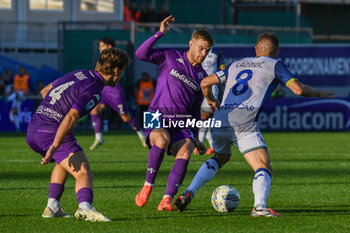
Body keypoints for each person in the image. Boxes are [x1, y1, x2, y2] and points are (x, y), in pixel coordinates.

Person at [174, 32, 335, 217]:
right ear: (277, 52)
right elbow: (298, 89)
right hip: (244, 123)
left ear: (256, 49)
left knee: (220, 157)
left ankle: (190, 192)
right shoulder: (275, 65)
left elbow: (205, 82)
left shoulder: (236, 64)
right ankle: (259, 207)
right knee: (263, 166)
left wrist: (211, 100)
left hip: (220, 119)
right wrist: (317, 93)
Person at [26, 48, 130, 222]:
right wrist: (55, 145)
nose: (122, 76)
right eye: (123, 71)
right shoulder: (95, 90)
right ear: (116, 70)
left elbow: (45, 91)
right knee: (83, 172)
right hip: (51, 132)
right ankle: (85, 208)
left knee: (64, 162)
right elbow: (72, 115)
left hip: (34, 128)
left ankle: (52, 207)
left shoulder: (80, 73)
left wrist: (52, 116)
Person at [134, 15, 212, 211]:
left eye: (207, 50)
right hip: (155, 114)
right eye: (201, 48)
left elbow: (195, 110)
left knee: (185, 150)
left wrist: (195, 137)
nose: (203, 54)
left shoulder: (202, 76)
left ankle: (167, 198)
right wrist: (160, 33)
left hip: (182, 122)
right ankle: (147, 186)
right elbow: (140, 54)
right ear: (191, 44)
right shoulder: (170, 56)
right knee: (161, 140)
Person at [90, 37, 146, 150]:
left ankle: (143, 135)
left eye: (102, 46)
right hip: (103, 90)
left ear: (109, 47)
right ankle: (99, 137)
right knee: (94, 111)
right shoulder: (102, 58)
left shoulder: (116, 57)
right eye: (100, 46)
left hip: (114, 92)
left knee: (126, 118)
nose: (100, 48)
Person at [194, 49, 226, 155]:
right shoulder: (197, 51)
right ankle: (212, 146)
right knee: (205, 119)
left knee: (205, 115)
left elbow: (222, 69)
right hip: (198, 84)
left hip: (211, 86)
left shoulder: (217, 52)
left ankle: (199, 145)